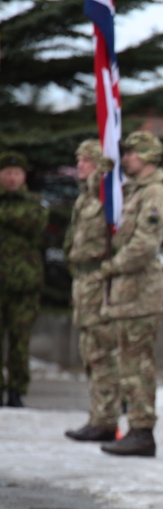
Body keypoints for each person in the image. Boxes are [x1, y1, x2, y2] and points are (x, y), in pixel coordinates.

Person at [99, 131, 163, 457]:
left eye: (131, 154)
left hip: (141, 291)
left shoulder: (153, 193)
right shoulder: (132, 192)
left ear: (147, 156)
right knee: (128, 362)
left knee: (138, 363)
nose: (125, 159)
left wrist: (112, 267)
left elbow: (144, 244)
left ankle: (142, 430)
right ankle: (136, 428)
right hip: (128, 292)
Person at [63, 140, 120, 441]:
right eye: (79, 160)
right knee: (89, 352)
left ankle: (107, 418)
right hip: (83, 281)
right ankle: (98, 414)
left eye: (86, 160)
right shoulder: (85, 198)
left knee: (102, 352)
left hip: (100, 281)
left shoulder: (106, 196)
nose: (80, 165)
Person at [0, 150, 48, 408]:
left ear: (24, 176)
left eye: (16, 173)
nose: (11, 178)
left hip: (24, 285)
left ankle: (17, 390)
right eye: (7, 173)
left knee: (20, 341)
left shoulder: (34, 202)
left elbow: (33, 222)